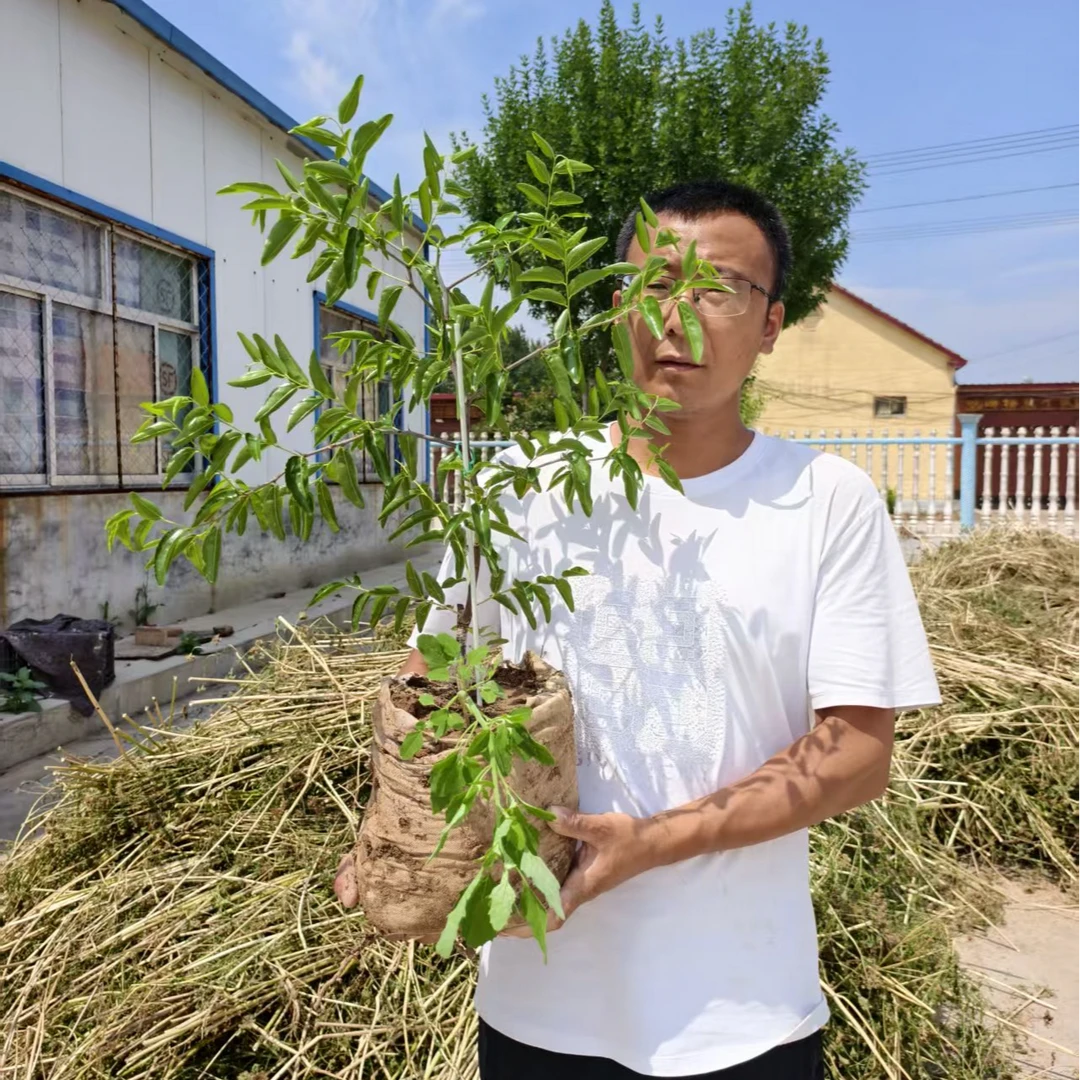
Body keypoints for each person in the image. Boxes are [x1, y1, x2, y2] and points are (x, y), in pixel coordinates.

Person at [335, 179, 940, 1079]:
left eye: (720, 289)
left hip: (744, 1012)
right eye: (657, 286)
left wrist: (653, 842)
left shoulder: (827, 502)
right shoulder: (524, 485)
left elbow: (855, 755)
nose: (680, 317)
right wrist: (394, 835)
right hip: (540, 1000)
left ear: (771, 323)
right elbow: (439, 679)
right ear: (617, 308)